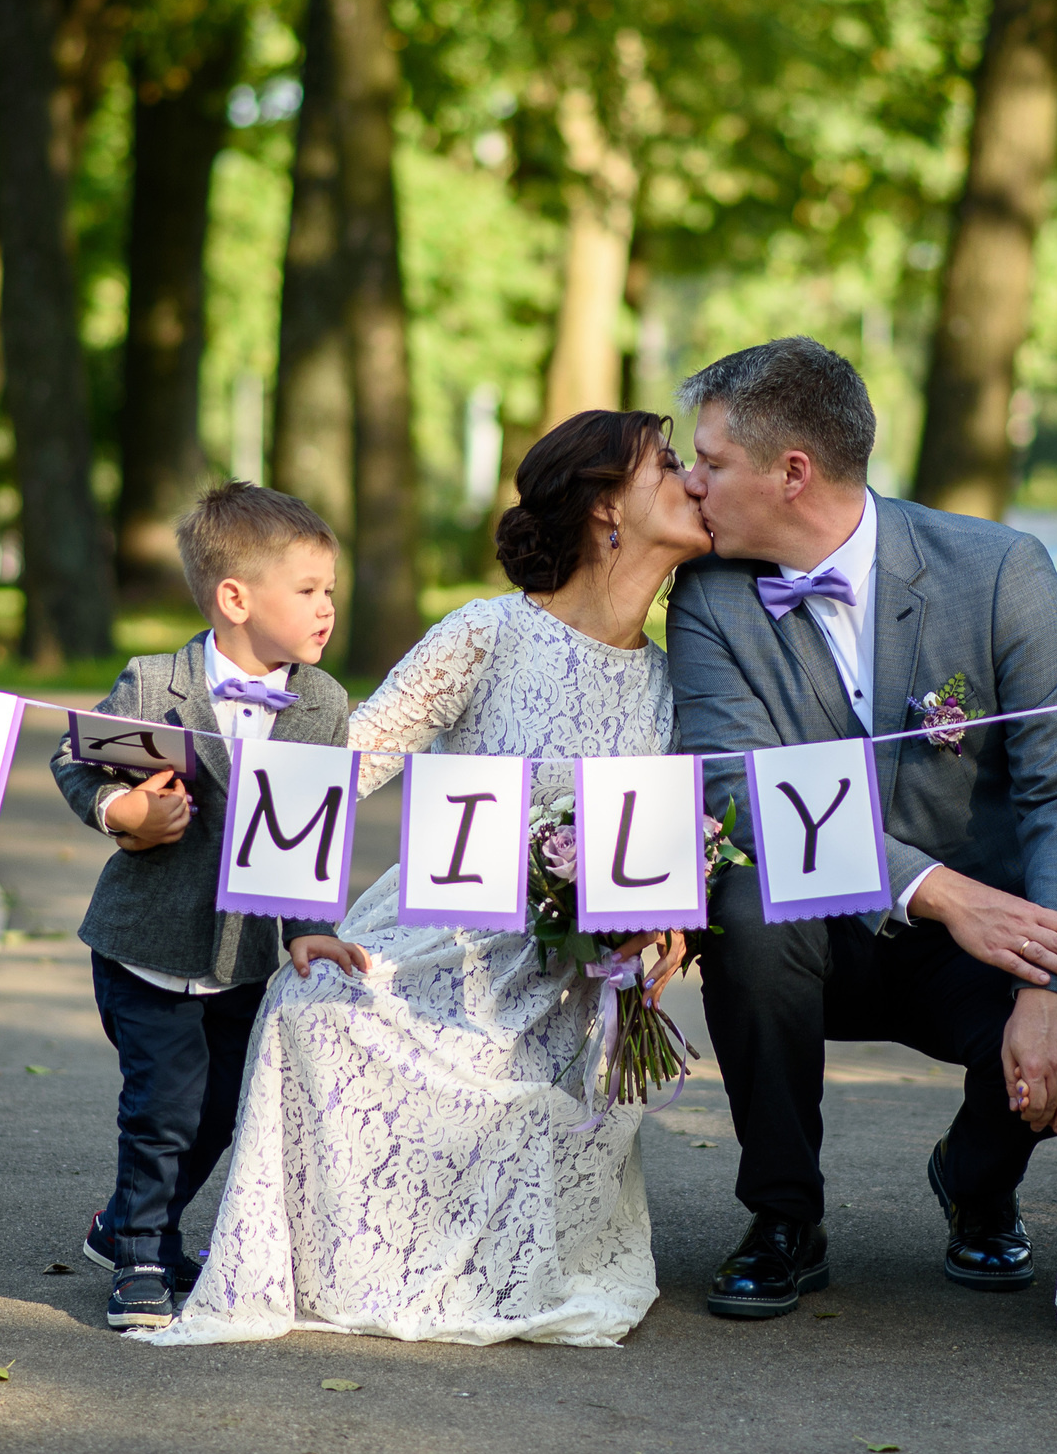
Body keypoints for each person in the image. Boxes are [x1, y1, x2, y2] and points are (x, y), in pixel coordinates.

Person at [146, 410, 713, 1347]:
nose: (694, 478)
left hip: (570, 974)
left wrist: (664, 918)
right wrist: (174, 787)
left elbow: (677, 837)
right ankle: (320, 1257)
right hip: (441, 925)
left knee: (540, 1090)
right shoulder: (487, 634)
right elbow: (348, 759)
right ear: (608, 506)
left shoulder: (678, 680)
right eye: (670, 463)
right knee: (311, 1007)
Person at [665, 337, 1057, 1318]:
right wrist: (935, 892)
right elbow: (734, 786)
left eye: (708, 461)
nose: (688, 482)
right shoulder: (705, 593)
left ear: (792, 472)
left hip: (987, 931)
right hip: (820, 925)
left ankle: (977, 1179)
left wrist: (1050, 982)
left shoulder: (1001, 570)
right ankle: (783, 1212)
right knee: (746, 901)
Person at [48, 482, 353, 1331]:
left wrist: (309, 928)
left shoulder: (322, 703)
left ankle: (124, 1224)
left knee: (221, 1109)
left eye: (330, 589)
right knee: (165, 1105)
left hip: (245, 955)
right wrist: (124, 813)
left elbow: (314, 820)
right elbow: (75, 762)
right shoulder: (154, 683)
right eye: (307, 590)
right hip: (146, 945)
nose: (327, 607)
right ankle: (143, 1252)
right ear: (235, 597)